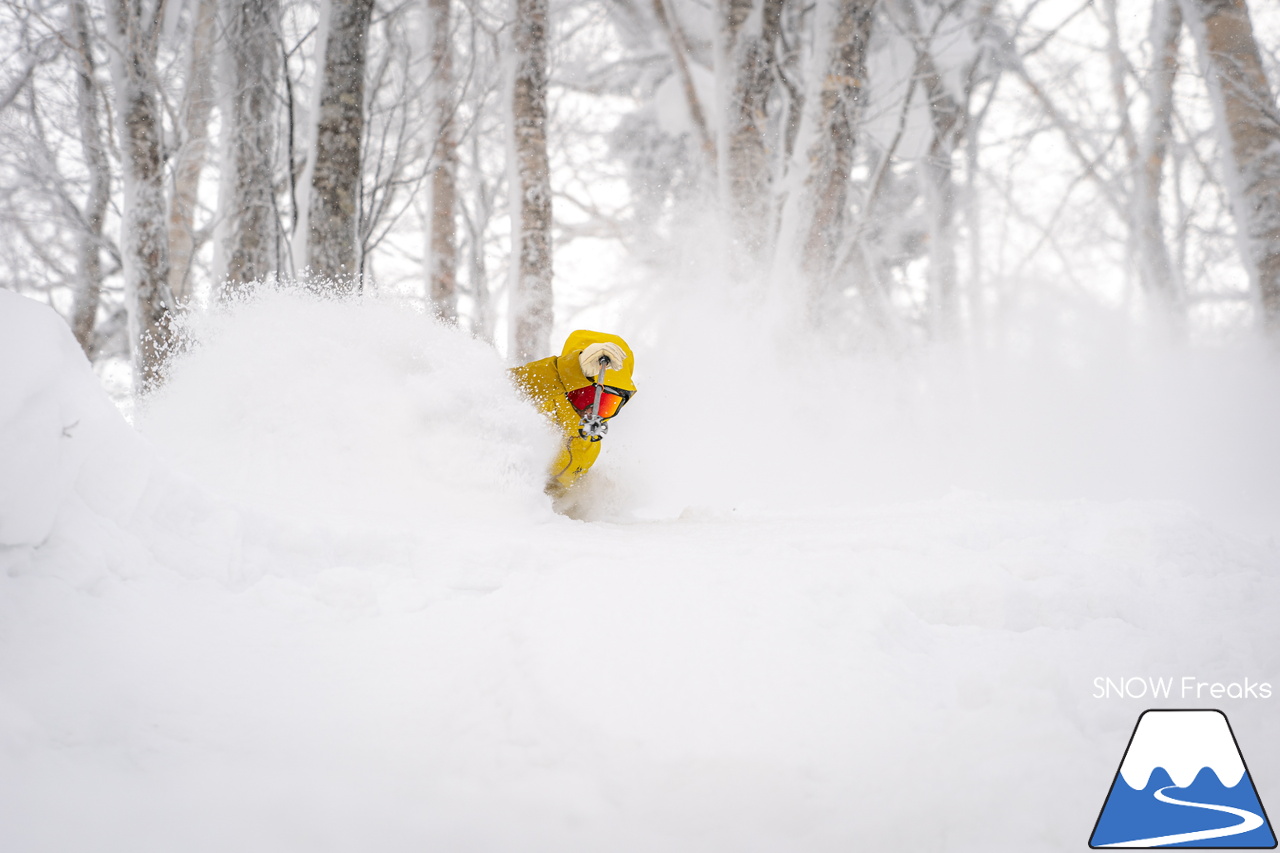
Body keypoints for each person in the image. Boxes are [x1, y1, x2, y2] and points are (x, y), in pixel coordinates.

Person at [511, 330, 637, 493]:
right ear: (566, 388)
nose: (593, 410)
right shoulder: (537, 407)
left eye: (607, 403)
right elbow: (503, 387)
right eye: (584, 396)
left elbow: (555, 495)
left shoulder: (589, 445)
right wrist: (571, 370)